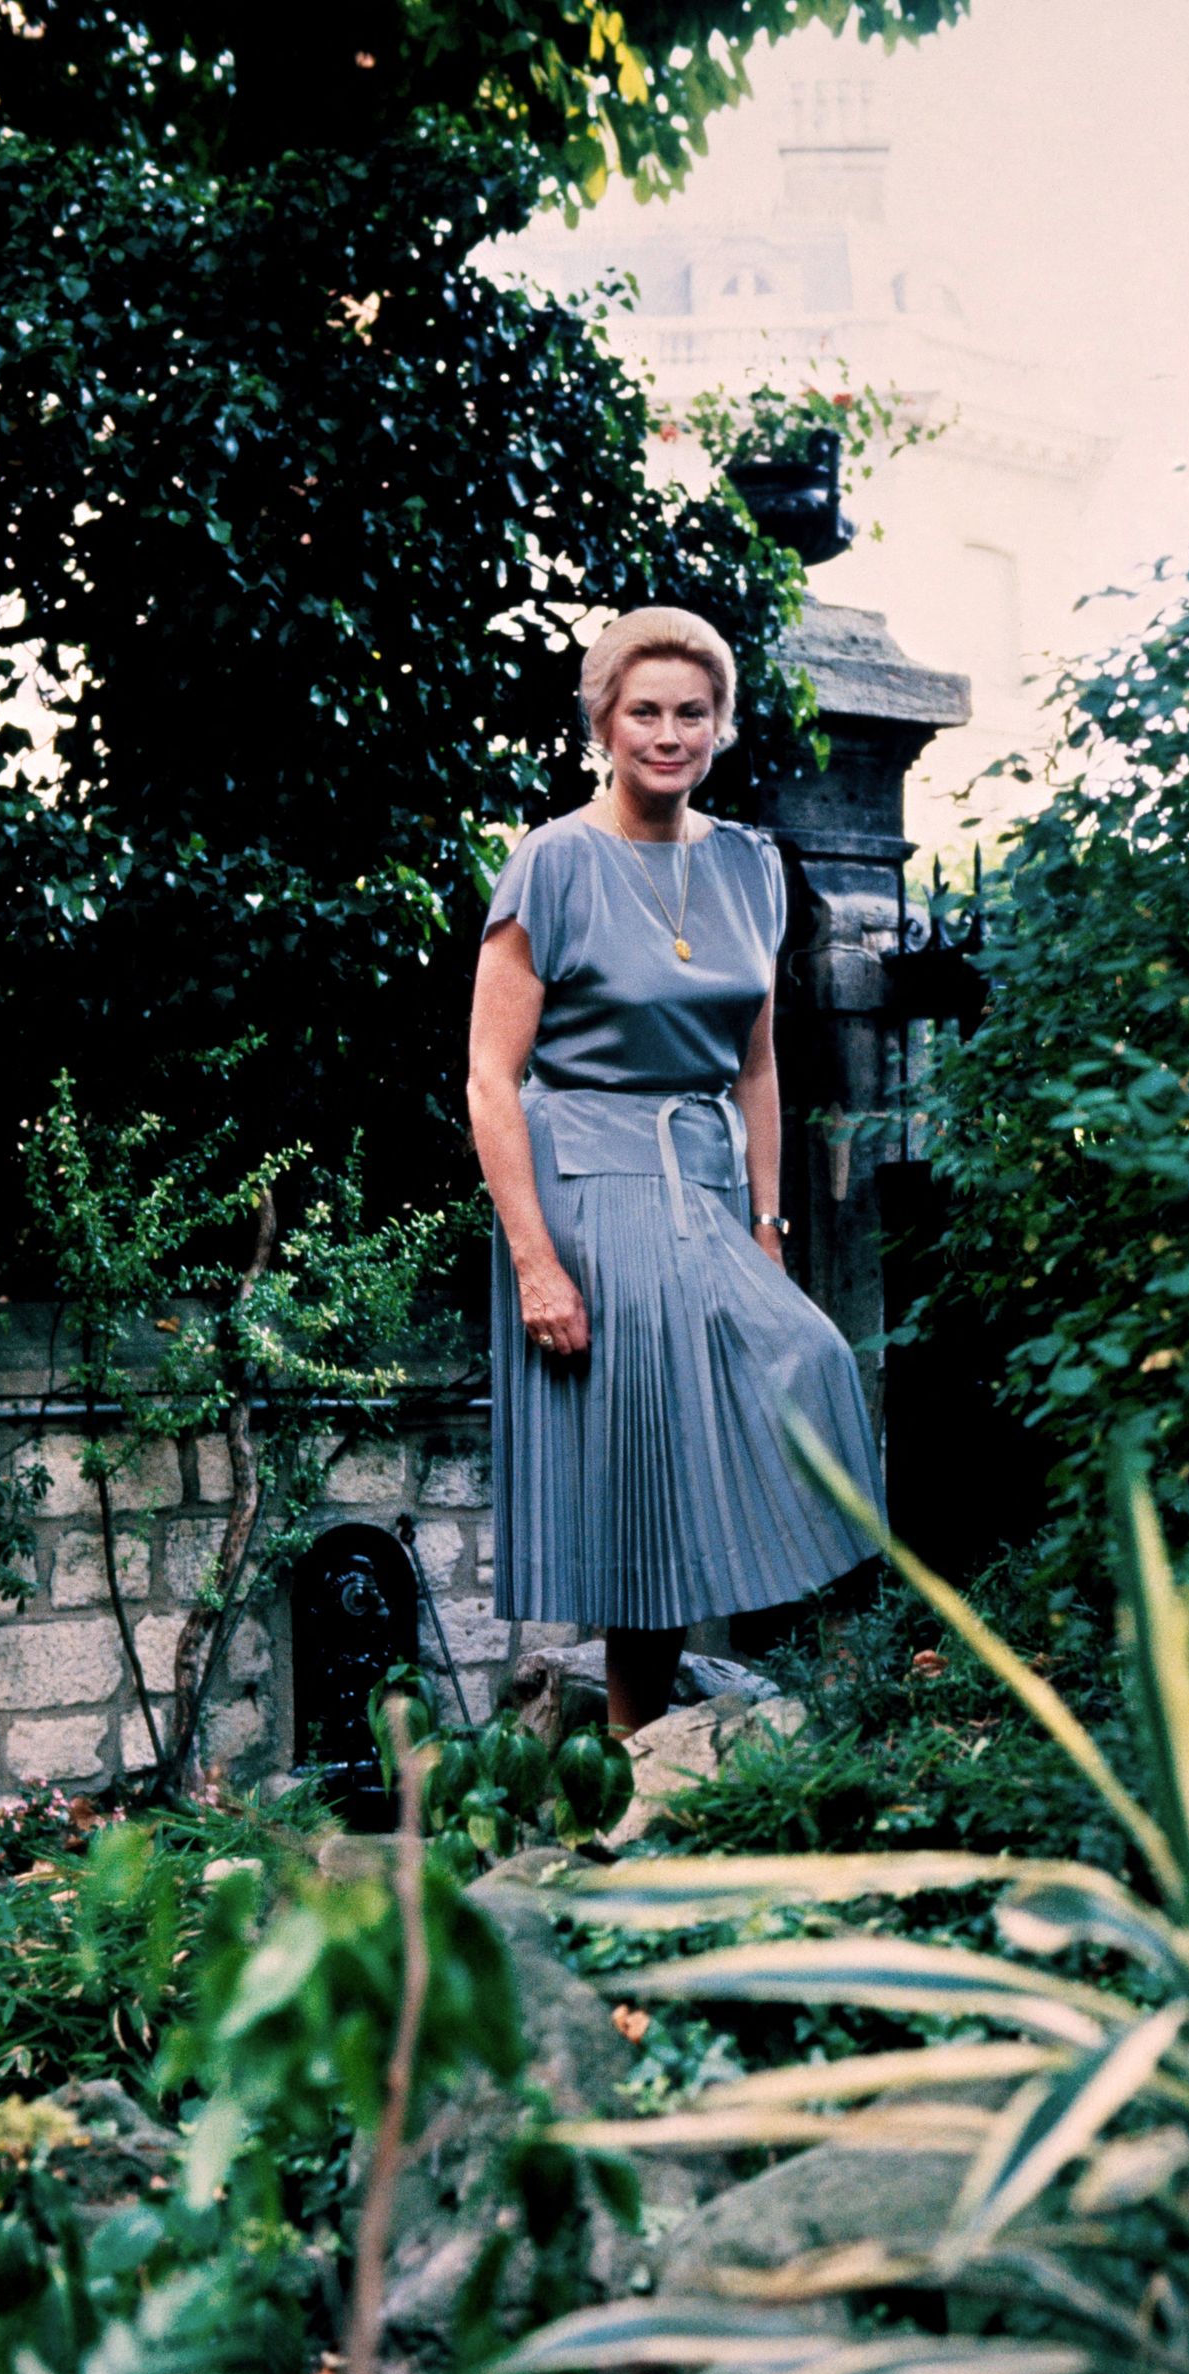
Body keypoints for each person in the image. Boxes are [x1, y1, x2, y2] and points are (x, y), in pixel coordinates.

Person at [466, 605, 885, 1736]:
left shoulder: (753, 866)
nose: (667, 732)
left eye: (690, 712)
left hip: (703, 1190)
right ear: (605, 722)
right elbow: (490, 1082)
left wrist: (766, 1222)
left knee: (812, 1362)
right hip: (590, 1194)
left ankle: (705, 1724)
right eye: (643, 710)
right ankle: (629, 1760)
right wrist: (536, 1263)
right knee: (639, 1488)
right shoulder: (551, 863)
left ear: (721, 726)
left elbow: (758, 1064)